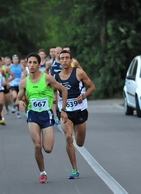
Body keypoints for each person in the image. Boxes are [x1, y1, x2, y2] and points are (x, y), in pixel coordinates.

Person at [17, 53, 69, 184]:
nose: (32, 65)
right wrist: (22, 102)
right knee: (37, 145)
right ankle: (42, 172)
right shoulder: (24, 82)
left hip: (46, 115)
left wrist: (63, 109)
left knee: (48, 149)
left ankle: (43, 167)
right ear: (27, 64)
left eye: (35, 62)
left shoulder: (47, 78)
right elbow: (19, 97)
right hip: (33, 115)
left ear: (39, 64)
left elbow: (63, 90)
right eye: (30, 62)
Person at [55, 50, 95, 179]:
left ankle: (75, 163)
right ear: (59, 61)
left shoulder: (79, 73)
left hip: (80, 110)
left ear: (71, 60)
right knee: (68, 137)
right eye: (62, 58)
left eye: (67, 58)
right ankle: (74, 169)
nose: (65, 60)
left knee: (80, 142)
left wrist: (83, 96)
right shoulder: (56, 77)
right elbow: (52, 92)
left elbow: (92, 87)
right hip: (65, 112)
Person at [46, 46, 63, 126]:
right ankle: (55, 117)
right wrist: (48, 79)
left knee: (60, 100)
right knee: (54, 100)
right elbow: (46, 70)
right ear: (54, 53)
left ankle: (61, 112)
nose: (59, 54)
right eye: (57, 53)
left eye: (60, 52)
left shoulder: (65, 62)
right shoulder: (50, 62)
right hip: (53, 83)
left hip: (63, 84)